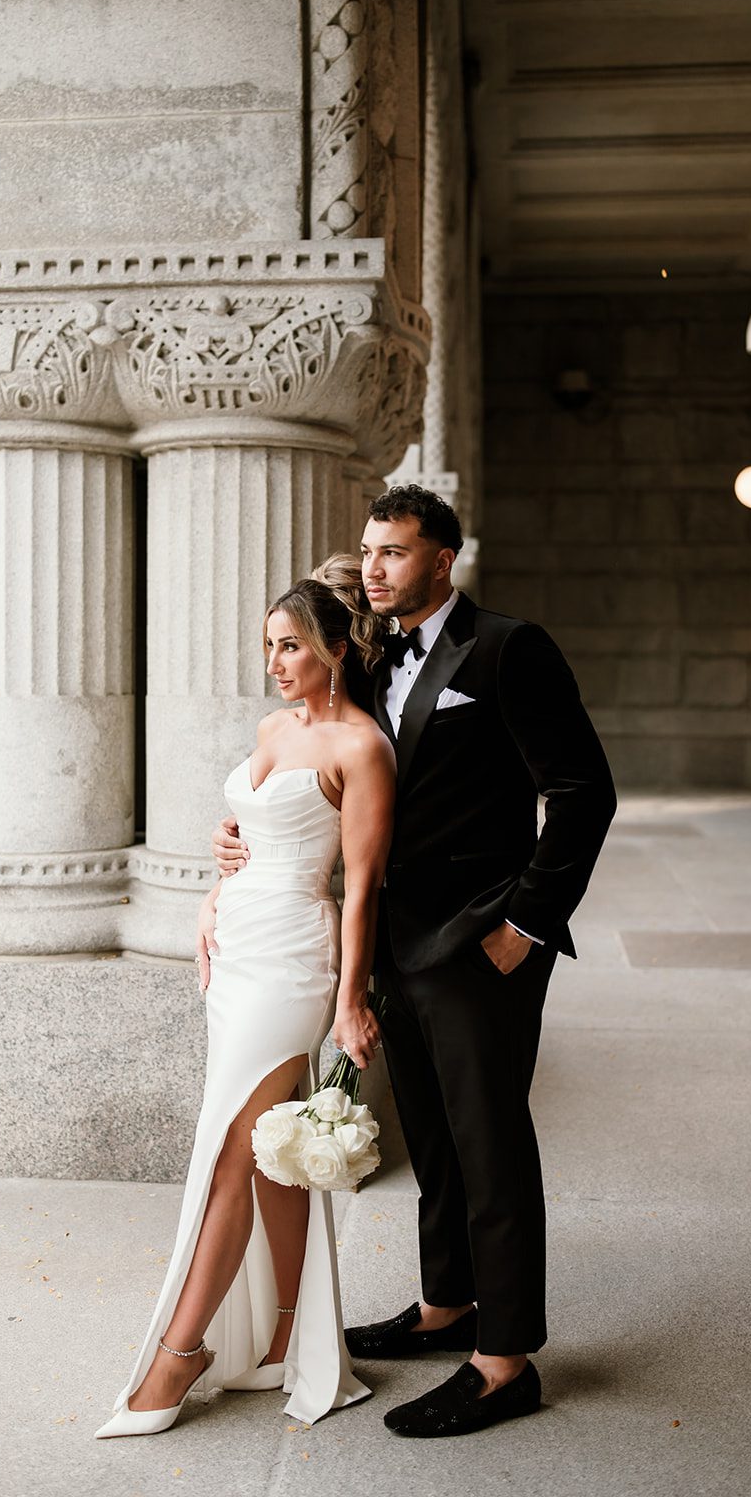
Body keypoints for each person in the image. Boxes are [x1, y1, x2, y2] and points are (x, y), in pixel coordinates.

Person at [213, 485, 617, 1440]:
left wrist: (523, 924)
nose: (378, 568)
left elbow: (583, 790)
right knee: (432, 1139)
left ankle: (505, 1358)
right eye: (370, 552)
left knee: (489, 1143)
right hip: (394, 939)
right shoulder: (370, 655)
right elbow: (327, 772)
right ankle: (446, 1307)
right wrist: (244, 839)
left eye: (395, 552)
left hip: (482, 939)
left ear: (445, 559)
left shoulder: (508, 649)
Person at [96, 564, 395, 1439]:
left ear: (336, 650)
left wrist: (350, 1000)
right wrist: (208, 892)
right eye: (268, 645)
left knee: (234, 1148)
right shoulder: (272, 726)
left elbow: (365, 885)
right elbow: (250, 828)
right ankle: (279, 1341)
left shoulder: (361, 749)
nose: (274, 661)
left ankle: (177, 1355)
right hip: (234, 951)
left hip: (296, 959)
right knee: (272, 1151)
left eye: (291, 645)